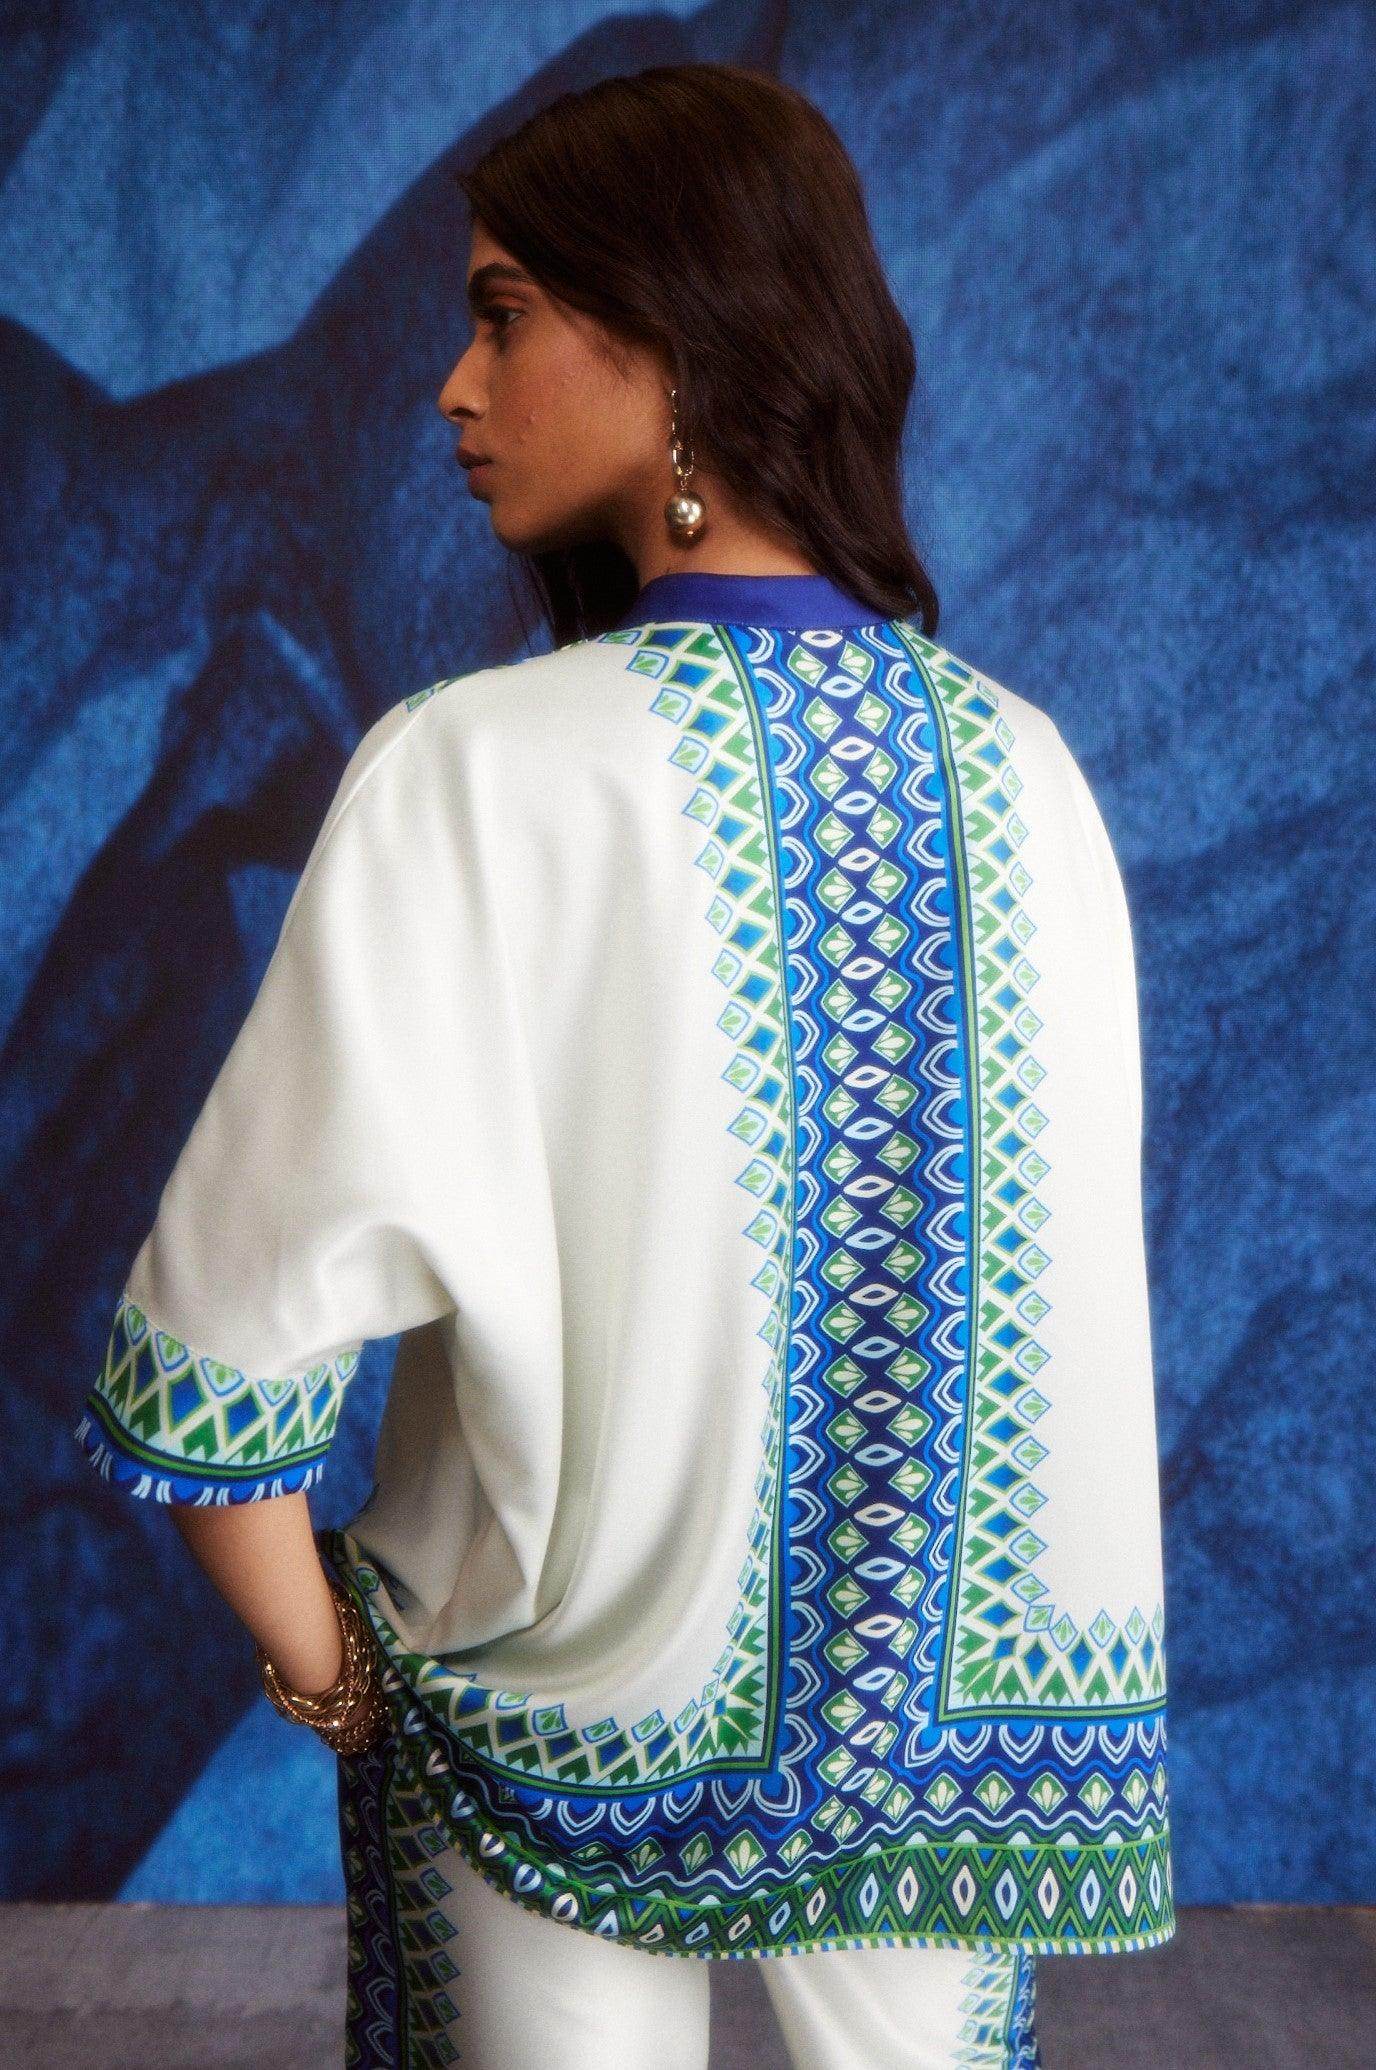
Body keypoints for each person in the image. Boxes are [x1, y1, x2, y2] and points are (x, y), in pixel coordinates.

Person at [73, 61, 1173, 2069]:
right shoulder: (1028, 782)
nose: (451, 389)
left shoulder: (473, 776)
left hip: (524, 1741)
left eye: (502, 316)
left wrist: (340, 1688)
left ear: (677, 340)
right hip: (958, 1760)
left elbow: (212, 1372)